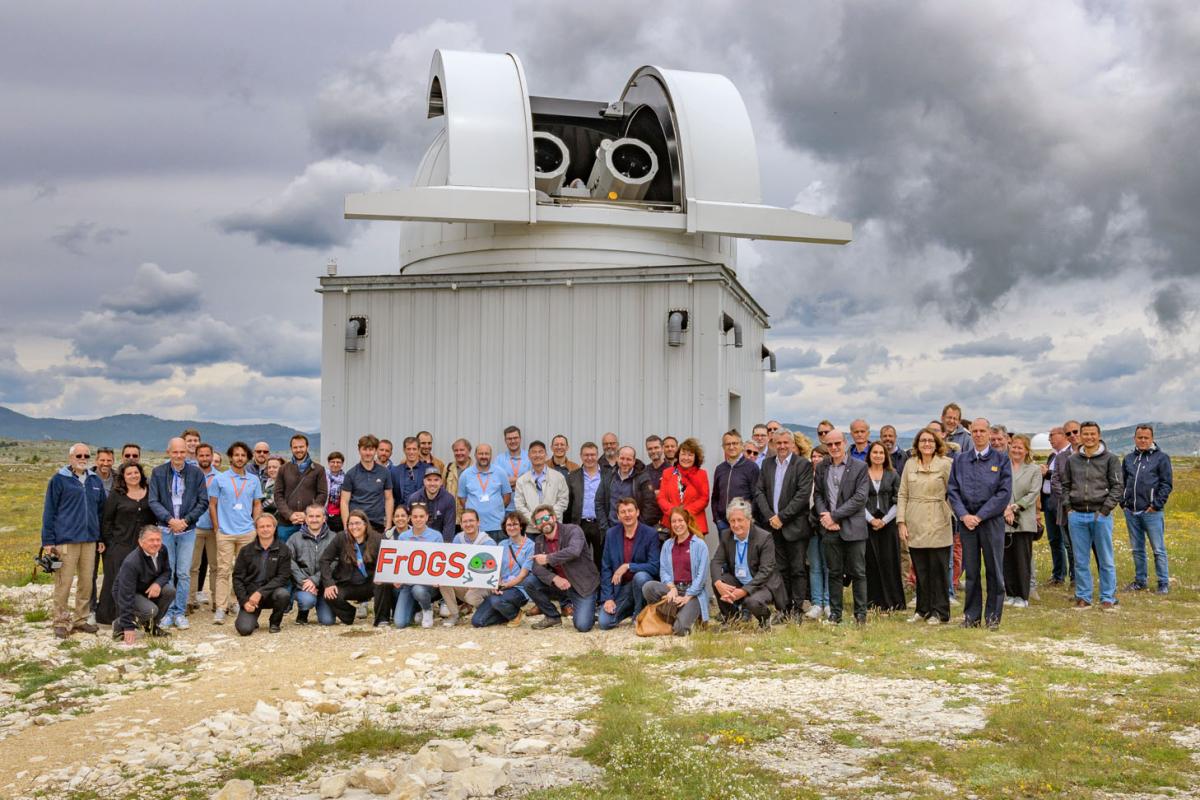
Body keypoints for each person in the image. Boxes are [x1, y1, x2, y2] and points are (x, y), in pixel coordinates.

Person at [948, 418, 1012, 629]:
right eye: (974, 431)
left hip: (991, 522)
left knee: (994, 570)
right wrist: (964, 515)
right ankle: (972, 617)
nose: (978, 434)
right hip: (967, 523)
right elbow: (953, 490)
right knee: (972, 572)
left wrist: (981, 515)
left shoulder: (1001, 460)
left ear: (988, 433)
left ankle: (993, 617)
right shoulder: (961, 460)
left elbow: (1003, 494)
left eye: (982, 431)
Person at [1061, 421, 1123, 610]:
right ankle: (1083, 596)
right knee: (1080, 560)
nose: (1089, 437)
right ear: (1080, 436)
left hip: (1100, 515)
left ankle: (1107, 597)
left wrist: (1105, 510)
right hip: (1077, 515)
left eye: (1092, 434)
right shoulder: (1072, 460)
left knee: (1105, 558)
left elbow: (1118, 486)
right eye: (1085, 434)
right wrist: (1069, 508)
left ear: (1099, 435)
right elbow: (1065, 485)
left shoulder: (1110, 459)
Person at [148, 437, 208, 630]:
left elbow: (203, 501)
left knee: (183, 572)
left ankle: (180, 612)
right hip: (165, 529)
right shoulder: (158, 473)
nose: (179, 455)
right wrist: (170, 520)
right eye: (175, 452)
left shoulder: (196, 473)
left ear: (187, 452)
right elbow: (153, 501)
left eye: (182, 452)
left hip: (187, 530)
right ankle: (167, 612)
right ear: (168, 452)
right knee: (168, 571)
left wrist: (186, 521)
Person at [752, 428, 812, 620]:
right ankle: (783, 608)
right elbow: (759, 492)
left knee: (798, 569)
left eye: (786, 442)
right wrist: (771, 516)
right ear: (773, 444)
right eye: (778, 443)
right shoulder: (767, 464)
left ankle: (797, 607)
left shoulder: (802, 464)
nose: (782, 446)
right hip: (772, 526)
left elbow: (802, 496)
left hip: (794, 526)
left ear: (792, 444)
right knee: (780, 570)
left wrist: (782, 517)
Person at [897, 428, 954, 624]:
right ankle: (922, 609)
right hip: (915, 519)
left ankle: (940, 611)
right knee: (920, 568)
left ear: (937, 443)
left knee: (938, 568)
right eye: (923, 440)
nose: (927, 444)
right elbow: (902, 493)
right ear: (917, 444)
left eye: (930, 440)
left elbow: (953, 492)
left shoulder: (946, 464)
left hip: (938, 518)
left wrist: (952, 514)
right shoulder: (909, 464)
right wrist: (901, 522)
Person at [814, 430, 870, 625]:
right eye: (829, 445)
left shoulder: (860, 467)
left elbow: (860, 498)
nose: (834, 448)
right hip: (829, 528)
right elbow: (818, 495)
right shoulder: (822, 467)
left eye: (838, 443)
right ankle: (835, 614)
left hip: (853, 528)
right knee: (834, 572)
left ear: (845, 443)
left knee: (858, 572)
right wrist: (825, 516)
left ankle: (860, 614)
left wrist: (834, 516)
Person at [209, 441, 263, 625]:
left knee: (244, 572)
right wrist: (217, 528)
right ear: (230, 457)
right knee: (223, 571)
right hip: (225, 532)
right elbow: (213, 504)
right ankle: (221, 608)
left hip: (247, 532)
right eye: (236, 455)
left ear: (247, 458)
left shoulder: (253, 480)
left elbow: (257, 504)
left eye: (243, 455)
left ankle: (238, 602)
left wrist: (254, 526)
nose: (239, 458)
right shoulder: (220, 479)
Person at [97, 460, 156, 627]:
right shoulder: (117, 494)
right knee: (115, 580)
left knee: (138, 580)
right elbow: (107, 520)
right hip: (119, 544)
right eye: (129, 473)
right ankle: (111, 617)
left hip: (142, 546)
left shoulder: (149, 491)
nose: (133, 476)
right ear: (123, 476)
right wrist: (108, 542)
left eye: (136, 472)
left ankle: (138, 615)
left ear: (141, 474)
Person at [523, 505, 600, 632]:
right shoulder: (539, 540)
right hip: (561, 586)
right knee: (529, 582)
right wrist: (554, 578)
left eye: (546, 518)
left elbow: (574, 551)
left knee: (582, 625)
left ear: (554, 517)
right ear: (536, 526)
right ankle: (552, 616)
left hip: (582, 585)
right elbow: (536, 567)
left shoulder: (573, 530)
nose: (544, 522)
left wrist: (548, 558)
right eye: (539, 521)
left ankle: (591, 610)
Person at [711, 498, 782, 627]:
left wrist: (744, 591)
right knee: (720, 581)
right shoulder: (727, 535)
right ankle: (732, 619)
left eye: (740, 520)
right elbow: (716, 561)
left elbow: (765, 571)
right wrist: (718, 582)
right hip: (739, 580)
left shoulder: (764, 537)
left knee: (751, 602)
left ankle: (765, 619)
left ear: (749, 520)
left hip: (762, 584)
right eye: (732, 521)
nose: (736, 525)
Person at [642, 508, 711, 636]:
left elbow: (701, 577)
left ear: (687, 522)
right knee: (648, 587)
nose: (677, 524)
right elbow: (664, 571)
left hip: (693, 594)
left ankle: (685, 618)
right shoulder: (668, 545)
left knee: (679, 630)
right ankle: (671, 615)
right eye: (674, 521)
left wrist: (687, 596)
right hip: (674, 590)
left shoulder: (699, 544)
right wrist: (671, 588)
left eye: (680, 521)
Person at [1121, 424, 1173, 594]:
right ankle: (1140, 581)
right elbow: (1122, 482)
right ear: (1135, 438)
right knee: (1137, 549)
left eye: (1146, 438)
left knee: (1158, 549)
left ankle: (1163, 582)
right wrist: (1123, 503)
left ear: (1152, 439)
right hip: (1131, 512)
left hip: (1152, 512)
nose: (1142, 440)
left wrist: (1156, 505)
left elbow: (1166, 484)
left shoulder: (1161, 458)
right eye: (1139, 437)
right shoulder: (1128, 459)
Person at [598, 496, 660, 630]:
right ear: (618, 516)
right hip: (622, 589)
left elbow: (654, 566)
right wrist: (607, 598)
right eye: (623, 512)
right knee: (604, 622)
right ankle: (628, 608)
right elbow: (606, 568)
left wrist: (628, 566)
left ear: (637, 512)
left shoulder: (650, 534)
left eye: (630, 511)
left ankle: (638, 614)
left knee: (641, 576)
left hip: (643, 586)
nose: (627, 515)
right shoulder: (611, 534)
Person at [471, 512, 535, 628]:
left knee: (496, 600)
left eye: (515, 524)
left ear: (521, 526)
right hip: (502, 587)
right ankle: (506, 612)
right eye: (508, 525)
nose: (512, 527)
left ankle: (515, 614)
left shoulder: (531, 546)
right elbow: (497, 569)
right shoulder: (502, 544)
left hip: (519, 589)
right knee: (477, 621)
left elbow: (522, 576)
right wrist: (497, 584)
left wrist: (504, 586)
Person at [232, 515, 292, 636]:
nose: (265, 529)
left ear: (275, 528)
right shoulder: (246, 551)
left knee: (283, 594)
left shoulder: (284, 550)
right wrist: (244, 602)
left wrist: (260, 593)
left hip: (271, 594)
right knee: (244, 630)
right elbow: (237, 578)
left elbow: (283, 577)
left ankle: (274, 622)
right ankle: (253, 618)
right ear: (256, 529)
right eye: (261, 526)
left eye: (268, 526)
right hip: (251, 598)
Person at [320, 510, 382, 625]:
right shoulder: (341, 538)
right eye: (351, 524)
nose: (354, 527)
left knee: (384, 585)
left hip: (370, 583)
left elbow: (386, 560)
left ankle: (381, 619)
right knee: (330, 594)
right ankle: (348, 615)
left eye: (357, 523)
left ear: (365, 524)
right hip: (348, 584)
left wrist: (381, 576)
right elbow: (324, 560)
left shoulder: (377, 538)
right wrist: (329, 583)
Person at [114, 526, 175, 643]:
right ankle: (119, 624)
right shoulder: (131, 562)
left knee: (170, 591)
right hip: (127, 592)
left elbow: (167, 571)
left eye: (158, 540)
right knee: (150, 610)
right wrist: (128, 627)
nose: (156, 543)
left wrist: (158, 584)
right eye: (151, 540)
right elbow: (126, 595)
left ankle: (151, 627)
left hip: (147, 587)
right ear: (141, 542)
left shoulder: (162, 550)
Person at [864, 441, 905, 612]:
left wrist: (884, 520)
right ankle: (873, 601)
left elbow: (899, 499)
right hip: (868, 523)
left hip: (888, 524)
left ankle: (893, 601)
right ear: (870, 454)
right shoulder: (861, 473)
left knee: (890, 562)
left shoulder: (893, 474)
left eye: (881, 452)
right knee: (870, 563)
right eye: (875, 452)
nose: (878, 455)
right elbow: (858, 500)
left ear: (885, 455)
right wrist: (871, 519)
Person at [1003, 434, 1040, 608]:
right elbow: (998, 489)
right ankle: (1010, 593)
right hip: (1004, 519)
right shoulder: (1003, 467)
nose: (1016, 450)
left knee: (1022, 559)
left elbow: (1033, 494)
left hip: (1024, 520)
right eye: (1014, 446)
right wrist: (1005, 508)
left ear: (1026, 450)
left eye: (1020, 447)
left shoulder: (1033, 470)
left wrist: (1014, 507)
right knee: (1007, 559)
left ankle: (1022, 595)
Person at [393, 503, 445, 629]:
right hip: (408, 583)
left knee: (418, 589)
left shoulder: (436, 536)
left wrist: (437, 578)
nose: (418, 519)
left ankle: (427, 610)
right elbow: (399, 561)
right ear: (410, 518)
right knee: (400, 623)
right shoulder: (403, 537)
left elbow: (442, 561)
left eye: (421, 516)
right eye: (415, 517)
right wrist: (397, 577)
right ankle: (418, 608)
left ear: (427, 517)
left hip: (427, 584)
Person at [440, 509, 494, 626]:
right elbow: (451, 564)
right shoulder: (458, 539)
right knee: (443, 581)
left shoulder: (488, 542)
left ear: (478, 522)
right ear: (461, 524)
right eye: (465, 521)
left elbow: (491, 572)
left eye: (471, 521)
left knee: (471, 597)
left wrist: (476, 582)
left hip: (483, 585)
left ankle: (488, 609)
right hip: (465, 580)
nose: (468, 524)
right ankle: (455, 614)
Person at [288, 504, 337, 625]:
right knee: (307, 600)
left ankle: (322, 604)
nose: (314, 519)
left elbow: (336, 562)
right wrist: (305, 582)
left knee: (328, 621)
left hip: (325, 586)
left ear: (324, 518)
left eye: (318, 516)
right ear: (305, 518)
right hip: (304, 585)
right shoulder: (295, 538)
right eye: (311, 516)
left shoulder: (334, 538)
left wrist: (314, 580)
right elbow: (288, 561)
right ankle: (303, 611)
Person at [274, 433, 328, 543]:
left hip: (310, 522)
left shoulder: (318, 469)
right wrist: (289, 515)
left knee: (309, 555)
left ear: (307, 447)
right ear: (291, 448)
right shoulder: (283, 469)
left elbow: (322, 494)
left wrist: (307, 514)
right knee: (285, 555)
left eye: (301, 447)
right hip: (286, 523)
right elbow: (278, 494)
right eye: (295, 447)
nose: (298, 450)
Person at [188, 443, 220, 613]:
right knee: (193, 567)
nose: (205, 458)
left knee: (216, 567)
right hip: (195, 526)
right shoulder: (190, 474)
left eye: (208, 455)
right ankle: (190, 600)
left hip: (214, 528)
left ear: (212, 456)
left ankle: (217, 601)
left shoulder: (220, 477)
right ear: (196, 456)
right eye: (201, 455)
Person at [340, 434, 394, 534]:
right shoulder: (351, 474)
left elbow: (389, 498)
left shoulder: (384, 472)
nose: (368, 453)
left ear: (375, 451)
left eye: (371, 449)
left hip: (377, 524)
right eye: (365, 449)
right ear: (359, 450)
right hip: (356, 524)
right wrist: (346, 526)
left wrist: (389, 524)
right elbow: (344, 501)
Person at [457, 443, 511, 541]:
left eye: (487, 454)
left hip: (496, 526)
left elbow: (507, 496)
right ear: (475, 455)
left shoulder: (500, 473)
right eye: (481, 454)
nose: (484, 456)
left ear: (491, 455)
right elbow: (462, 499)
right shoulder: (465, 474)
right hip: (474, 527)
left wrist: (496, 508)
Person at [656, 438, 710, 535]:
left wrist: (685, 513)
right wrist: (674, 512)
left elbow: (704, 498)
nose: (686, 458)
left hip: (694, 524)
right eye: (683, 454)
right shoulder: (667, 473)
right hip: (671, 524)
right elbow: (661, 497)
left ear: (695, 458)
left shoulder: (701, 474)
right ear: (678, 455)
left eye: (690, 455)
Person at [513, 441, 570, 534]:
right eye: (534, 452)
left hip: (553, 528)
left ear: (546, 455)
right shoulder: (522, 481)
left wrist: (547, 519)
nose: (537, 455)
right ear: (529, 456)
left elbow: (563, 501)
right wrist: (535, 520)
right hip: (531, 530)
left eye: (540, 452)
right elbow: (519, 505)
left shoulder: (558, 477)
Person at [711, 430, 761, 534]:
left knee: (743, 551)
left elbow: (757, 496)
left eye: (735, 443)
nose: (731, 447)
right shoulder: (720, 468)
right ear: (723, 447)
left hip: (743, 523)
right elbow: (715, 496)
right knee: (727, 551)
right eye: (728, 444)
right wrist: (717, 519)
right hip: (723, 524)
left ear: (742, 446)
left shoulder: (751, 467)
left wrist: (749, 518)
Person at [602, 445, 660, 532]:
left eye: (629, 459)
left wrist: (639, 528)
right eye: (622, 458)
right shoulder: (609, 476)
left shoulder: (643, 478)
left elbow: (650, 506)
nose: (625, 462)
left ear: (634, 461)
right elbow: (599, 502)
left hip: (635, 530)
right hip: (611, 528)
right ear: (617, 459)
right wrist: (605, 528)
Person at [566, 442, 607, 561]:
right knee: (580, 559)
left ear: (597, 455)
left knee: (601, 558)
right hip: (580, 524)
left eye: (593, 455)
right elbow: (569, 503)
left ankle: (601, 580)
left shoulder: (607, 475)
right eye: (586, 455)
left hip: (601, 524)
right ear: (581, 456)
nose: (589, 458)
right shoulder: (572, 476)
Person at [1041, 426, 1072, 585]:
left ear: (1062, 435)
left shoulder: (1069, 454)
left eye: (1052, 435)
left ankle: (1074, 576)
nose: (1050, 439)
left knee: (1068, 541)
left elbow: (1065, 477)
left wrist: (1048, 473)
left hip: (1062, 501)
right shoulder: (1053, 456)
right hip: (1048, 501)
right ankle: (1058, 574)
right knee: (1054, 540)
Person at [373, 504, 411, 626]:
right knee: (380, 581)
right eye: (397, 516)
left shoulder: (415, 535)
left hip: (409, 579)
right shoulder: (386, 536)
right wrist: (391, 577)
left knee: (401, 619)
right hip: (392, 577)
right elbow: (382, 562)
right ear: (393, 519)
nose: (400, 518)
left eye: (403, 516)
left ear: (409, 518)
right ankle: (382, 618)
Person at [805, 444, 831, 619]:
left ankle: (829, 602)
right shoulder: (806, 477)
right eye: (813, 456)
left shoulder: (829, 475)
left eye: (819, 456)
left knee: (828, 566)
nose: (815, 459)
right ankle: (817, 603)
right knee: (814, 566)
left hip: (828, 525)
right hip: (810, 527)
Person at [407, 466, 458, 542]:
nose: (432, 483)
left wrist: (445, 547)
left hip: (439, 541)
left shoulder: (449, 499)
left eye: (436, 480)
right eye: (429, 480)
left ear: (441, 482)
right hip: (418, 541)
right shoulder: (414, 498)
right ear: (424, 481)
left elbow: (449, 528)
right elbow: (410, 525)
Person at [494, 426, 531, 511]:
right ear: (505, 441)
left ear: (520, 439)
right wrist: (522, 481)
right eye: (509, 439)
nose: (513, 441)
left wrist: (511, 482)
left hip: (526, 508)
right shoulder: (499, 460)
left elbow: (534, 479)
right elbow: (496, 482)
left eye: (515, 438)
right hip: (505, 508)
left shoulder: (530, 457)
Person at [390, 437, 430, 510]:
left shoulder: (428, 470)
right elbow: (391, 496)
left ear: (418, 450)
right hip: (401, 515)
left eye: (414, 449)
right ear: (404, 450)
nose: (411, 452)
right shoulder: (395, 471)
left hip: (421, 515)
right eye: (408, 449)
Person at [443, 438, 473, 527]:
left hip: (468, 518)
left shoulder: (475, 470)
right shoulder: (448, 468)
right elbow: (442, 489)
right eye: (456, 450)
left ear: (469, 451)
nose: (459, 453)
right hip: (450, 517)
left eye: (462, 450)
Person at [325, 451, 346, 533]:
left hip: (339, 515)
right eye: (332, 462)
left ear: (342, 463)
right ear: (328, 462)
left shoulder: (346, 478)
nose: (335, 464)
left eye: (338, 462)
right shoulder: (322, 476)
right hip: (325, 514)